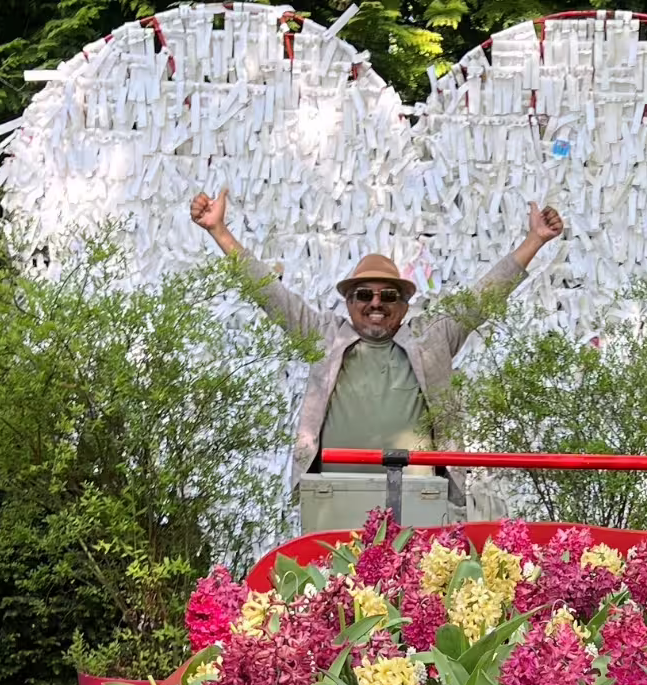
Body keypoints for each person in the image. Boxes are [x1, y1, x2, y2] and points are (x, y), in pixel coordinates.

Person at [189, 189, 565, 504]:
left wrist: (534, 241)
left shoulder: (431, 337)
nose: (375, 302)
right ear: (349, 302)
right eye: (363, 294)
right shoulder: (324, 335)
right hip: (334, 497)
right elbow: (269, 294)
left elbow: (483, 297)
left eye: (388, 294)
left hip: (419, 498)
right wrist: (219, 232)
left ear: (403, 304)